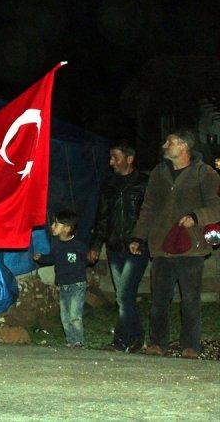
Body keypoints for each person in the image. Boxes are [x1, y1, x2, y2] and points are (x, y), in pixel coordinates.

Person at [131, 129, 220, 358]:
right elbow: (148, 207)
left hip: (191, 247)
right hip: (161, 245)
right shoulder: (158, 173)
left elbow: (217, 207)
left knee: (190, 299)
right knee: (159, 300)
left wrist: (197, 216)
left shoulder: (205, 173)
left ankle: (190, 346)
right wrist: (138, 236)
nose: (164, 146)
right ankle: (158, 343)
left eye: (169, 142)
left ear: (183, 146)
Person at [87, 141, 149, 352]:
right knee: (125, 296)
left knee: (123, 295)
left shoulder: (144, 183)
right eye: (110, 157)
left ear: (129, 159)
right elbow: (102, 217)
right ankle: (136, 337)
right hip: (114, 248)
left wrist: (140, 239)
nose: (111, 161)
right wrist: (96, 245)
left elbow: (149, 216)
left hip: (136, 248)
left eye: (115, 157)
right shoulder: (109, 185)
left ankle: (124, 340)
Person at [34, 210, 88, 348]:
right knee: (65, 316)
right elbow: (53, 258)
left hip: (77, 284)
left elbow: (85, 260)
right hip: (63, 285)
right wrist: (42, 259)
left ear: (67, 228)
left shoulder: (78, 245)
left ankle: (78, 341)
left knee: (75, 315)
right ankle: (71, 340)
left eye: (56, 224)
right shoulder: (56, 243)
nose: (52, 226)